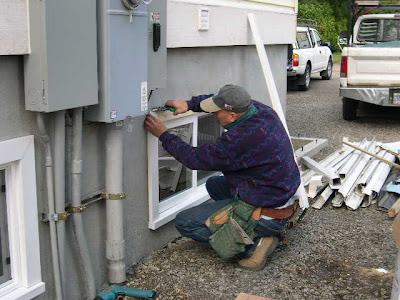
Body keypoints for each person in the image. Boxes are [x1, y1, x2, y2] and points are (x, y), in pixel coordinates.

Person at [144, 84, 300, 270]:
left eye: (217, 112)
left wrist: (164, 134)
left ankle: (254, 245)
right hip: (278, 193)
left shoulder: (240, 140)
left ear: (232, 116)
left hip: (270, 209)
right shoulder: (260, 110)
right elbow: (221, 100)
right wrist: (189, 104)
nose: (214, 114)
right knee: (213, 184)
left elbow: (194, 158)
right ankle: (253, 226)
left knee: (185, 222)